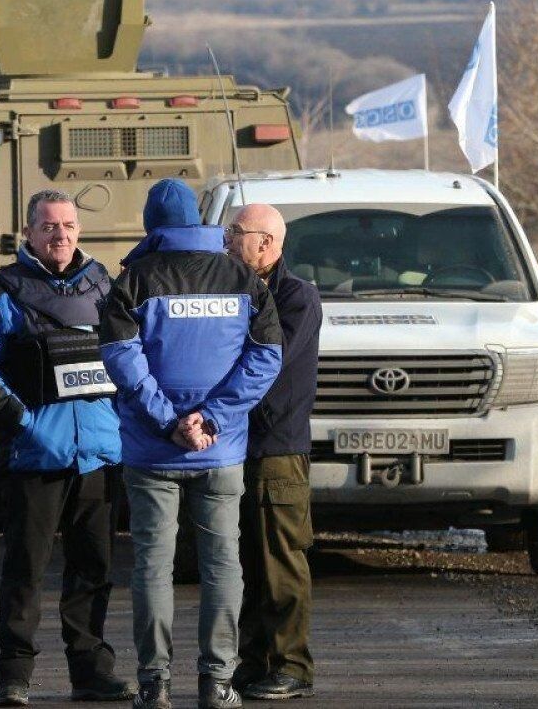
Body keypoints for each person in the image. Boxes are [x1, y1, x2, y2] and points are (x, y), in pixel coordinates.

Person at [99, 180, 284, 709]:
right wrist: (213, 419)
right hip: (219, 451)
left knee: (152, 568)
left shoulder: (134, 279)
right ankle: (218, 683)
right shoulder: (243, 279)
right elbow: (266, 358)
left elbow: (121, 358)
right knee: (223, 564)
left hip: (152, 450)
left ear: (152, 225)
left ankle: (154, 685)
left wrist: (169, 422)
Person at [0, 190, 132, 707]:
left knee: (94, 569)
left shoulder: (105, 287)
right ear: (29, 233)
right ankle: (14, 676)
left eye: (69, 225)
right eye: (50, 226)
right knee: (25, 571)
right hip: (33, 456)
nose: (61, 235)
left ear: (80, 230)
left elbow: (129, 357)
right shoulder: (1, 293)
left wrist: (120, 424)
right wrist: (21, 422)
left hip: (99, 455)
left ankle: (91, 673)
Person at [226, 204, 322, 702]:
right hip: (236, 446)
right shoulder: (232, 290)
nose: (226, 239)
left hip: (276, 448)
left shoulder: (295, 297)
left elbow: (269, 358)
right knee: (247, 561)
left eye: (235, 232)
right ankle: (255, 661)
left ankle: (292, 665)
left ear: (265, 243)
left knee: (281, 560)